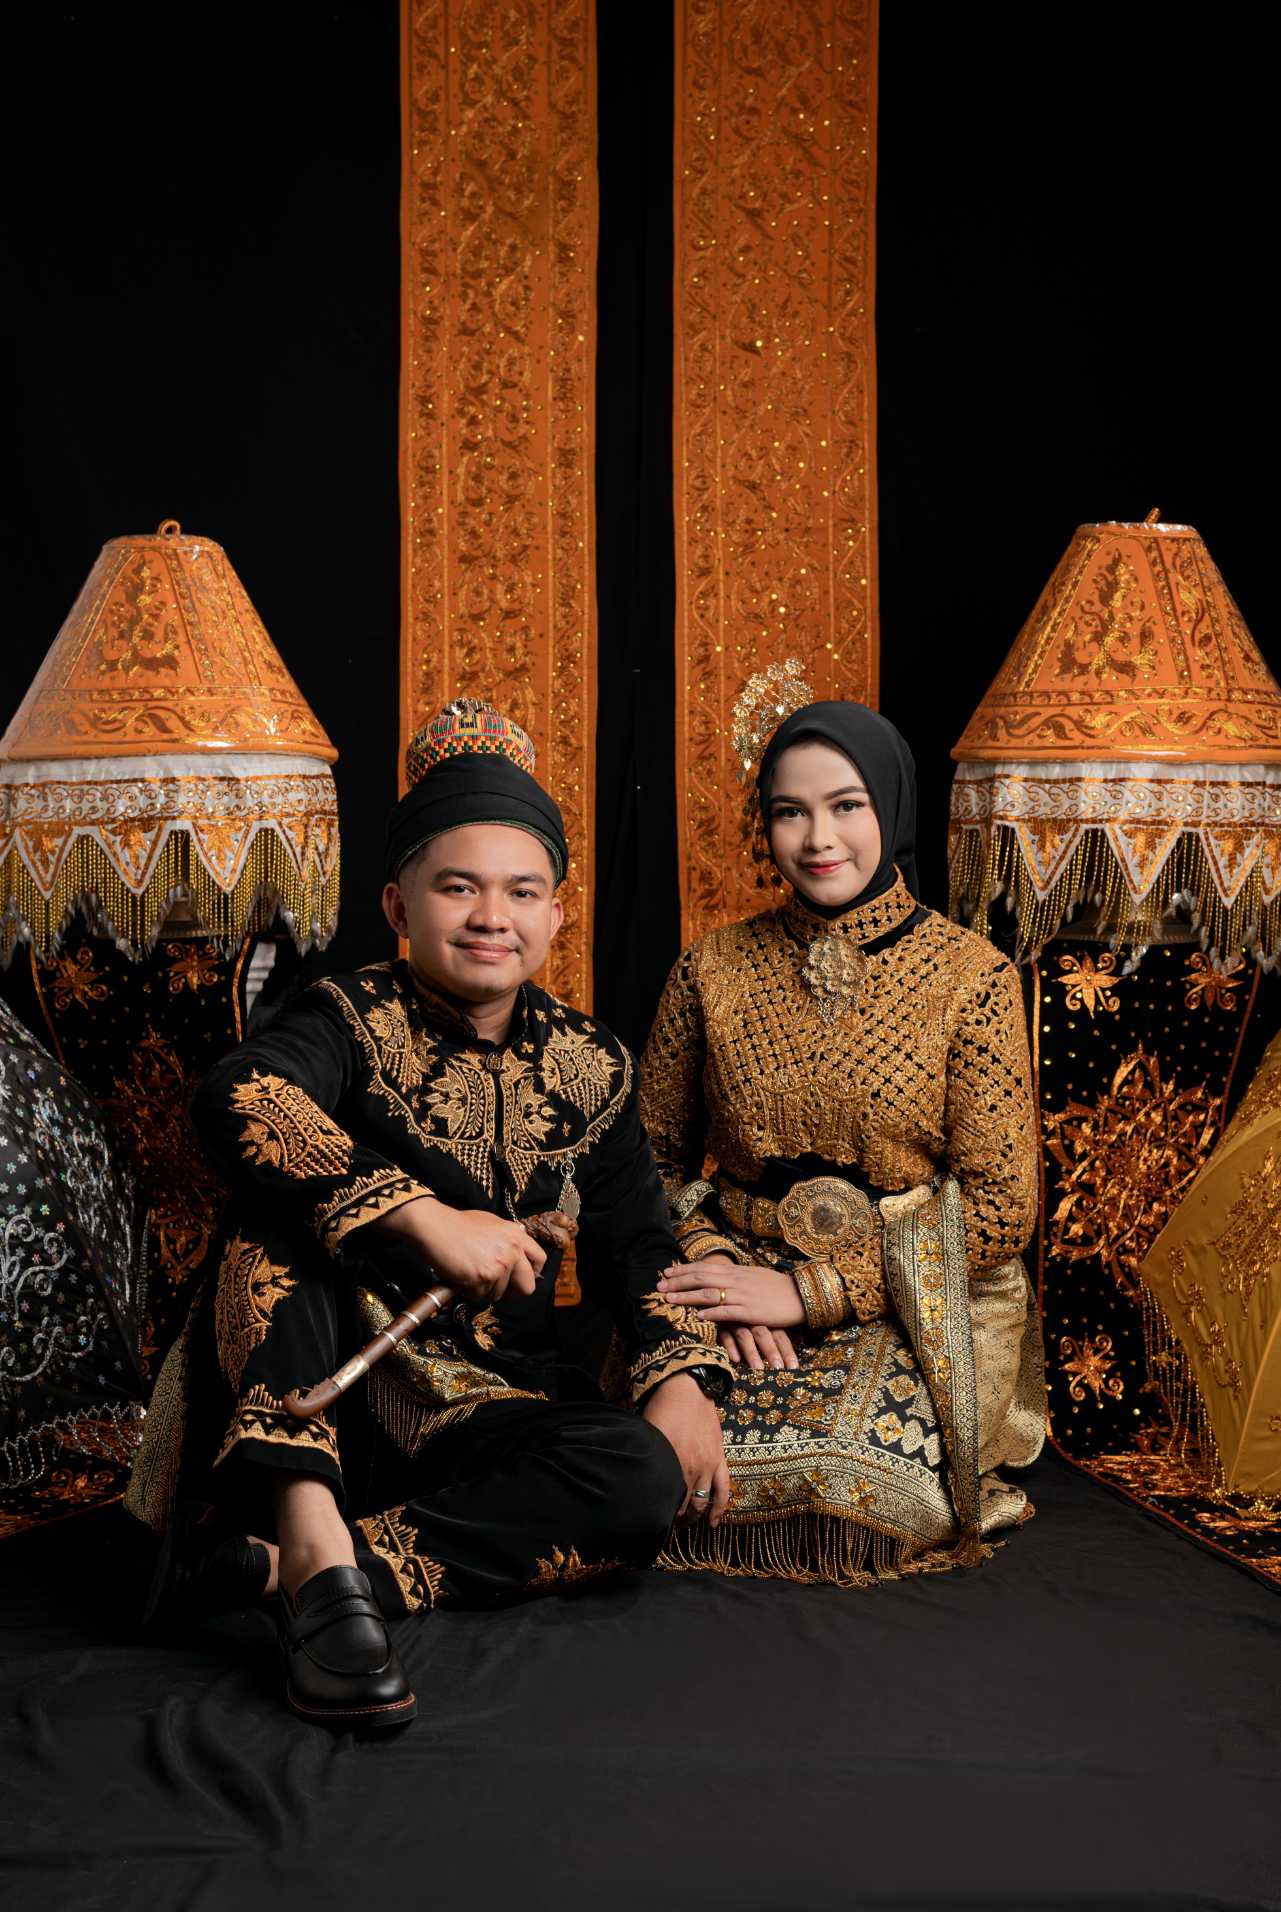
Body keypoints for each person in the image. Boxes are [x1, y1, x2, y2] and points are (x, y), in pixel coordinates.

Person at [127, 699, 730, 1729]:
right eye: (459, 886)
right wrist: (418, 1213)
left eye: (521, 891)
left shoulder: (594, 1064)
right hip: (321, 1394)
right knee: (278, 1223)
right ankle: (311, 1540)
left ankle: (303, 1570)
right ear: (399, 908)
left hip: (478, 1408)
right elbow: (237, 1095)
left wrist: (682, 1376)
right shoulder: (343, 1016)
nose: (492, 916)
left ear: (555, 917)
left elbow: (639, 1242)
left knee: (637, 1478)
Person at [640, 674, 1045, 1586]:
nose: (818, 839)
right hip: (729, 1283)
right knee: (651, 1466)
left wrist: (807, 1293)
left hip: (908, 1296)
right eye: (790, 812)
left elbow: (998, 1210)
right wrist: (716, 1273)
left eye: (845, 805)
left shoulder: (970, 977)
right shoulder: (710, 969)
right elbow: (646, 1162)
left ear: (888, 806)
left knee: (846, 1482)